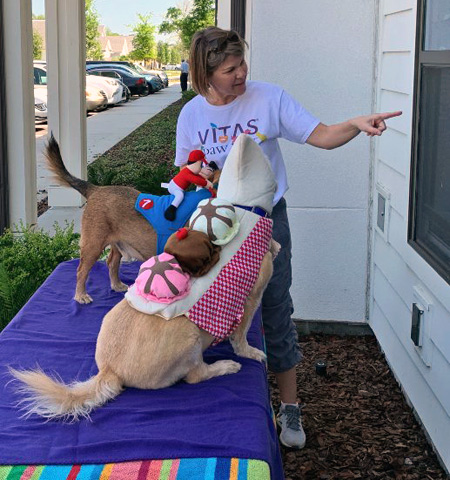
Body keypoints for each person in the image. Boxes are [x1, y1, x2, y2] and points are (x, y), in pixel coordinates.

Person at [174, 26, 401, 449]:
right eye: (230, 69)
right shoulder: (191, 115)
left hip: (265, 222)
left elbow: (323, 135)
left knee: (275, 306)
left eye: (242, 63)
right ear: (206, 75)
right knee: (209, 301)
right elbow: (187, 176)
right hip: (215, 223)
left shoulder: (268, 98)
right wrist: (201, 180)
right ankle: (210, 389)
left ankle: (289, 405)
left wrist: (353, 123)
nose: (241, 73)